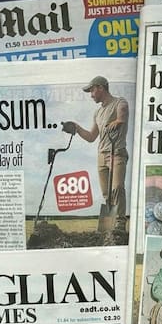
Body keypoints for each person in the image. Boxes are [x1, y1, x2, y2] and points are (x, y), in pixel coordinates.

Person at [62, 75, 129, 239]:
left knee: (116, 188)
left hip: (117, 152)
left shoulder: (120, 103)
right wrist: (77, 128)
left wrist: (117, 122)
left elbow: (122, 117)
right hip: (101, 155)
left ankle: (120, 223)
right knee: (106, 193)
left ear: (100, 87)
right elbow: (91, 137)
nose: (91, 95)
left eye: (92, 90)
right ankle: (108, 226)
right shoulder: (97, 113)